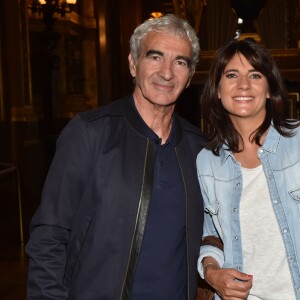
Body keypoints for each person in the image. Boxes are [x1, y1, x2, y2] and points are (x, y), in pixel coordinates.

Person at [25, 14, 206, 300]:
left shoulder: (199, 148)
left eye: (180, 62)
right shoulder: (90, 133)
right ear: (133, 64)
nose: (167, 72)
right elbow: (49, 235)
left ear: (190, 76)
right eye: (155, 57)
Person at [196, 38, 300, 300]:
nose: (243, 85)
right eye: (231, 75)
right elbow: (211, 233)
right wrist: (211, 272)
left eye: (255, 75)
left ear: (268, 89)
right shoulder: (207, 161)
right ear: (218, 90)